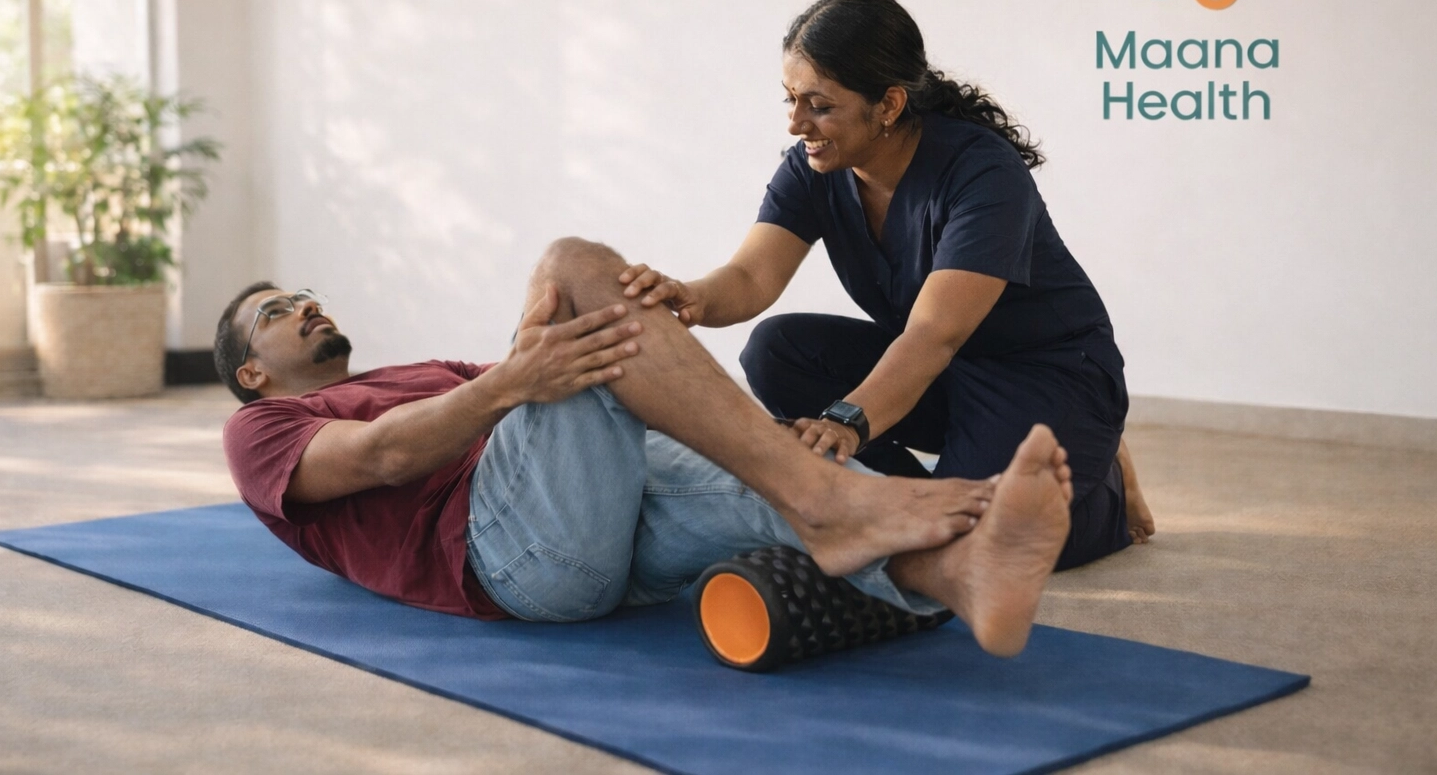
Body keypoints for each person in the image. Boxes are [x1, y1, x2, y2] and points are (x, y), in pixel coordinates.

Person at [212, 236, 1075, 657]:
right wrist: (517, 373)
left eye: (306, 296)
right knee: (570, 267)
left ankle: (959, 574)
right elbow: (383, 458)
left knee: (758, 482)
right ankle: (823, 494)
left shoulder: (422, 370)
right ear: (251, 372)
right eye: (277, 312)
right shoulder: (258, 432)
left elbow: (565, 394)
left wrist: (744, 440)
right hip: (506, 555)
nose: (305, 307)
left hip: (594, 528)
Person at [616, 0, 1154, 571]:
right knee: (777, 351)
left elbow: (933, 334)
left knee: (979, 546)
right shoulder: (815, 166)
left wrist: (847, 421)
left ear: (890, 104)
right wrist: (691, 296)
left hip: (1046, 376)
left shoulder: (983, 174)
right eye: (790, 99)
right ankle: (903, 497)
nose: (796, 123)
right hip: (944, 375)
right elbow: (750, 275)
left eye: (819, 105)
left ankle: (1101, 482)